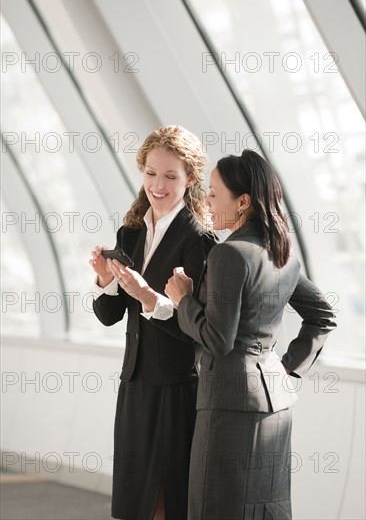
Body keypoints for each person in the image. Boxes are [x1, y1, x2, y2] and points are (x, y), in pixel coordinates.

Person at [165, 149, 337, 520]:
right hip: (274, 404)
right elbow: (323, 316)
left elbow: (218, 339)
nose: (207, 201)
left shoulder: (229, 253)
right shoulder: (283, 253)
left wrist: (183, 300)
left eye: (213, 192)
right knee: (263, 508)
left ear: (243, 202)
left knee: (214, 507)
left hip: (228, 406)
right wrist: (285, 373)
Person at [89, 125, 217, 520]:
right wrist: (107, 281)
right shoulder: (129, 233)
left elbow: (199, 331)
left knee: (165, 501)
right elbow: (109, 316)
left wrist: (150, 298)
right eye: (150, 173)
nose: (157, 185)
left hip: (176, 387)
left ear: (191, 178)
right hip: (134, 384)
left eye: (170, 176)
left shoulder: (200, 240)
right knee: (132, 502)